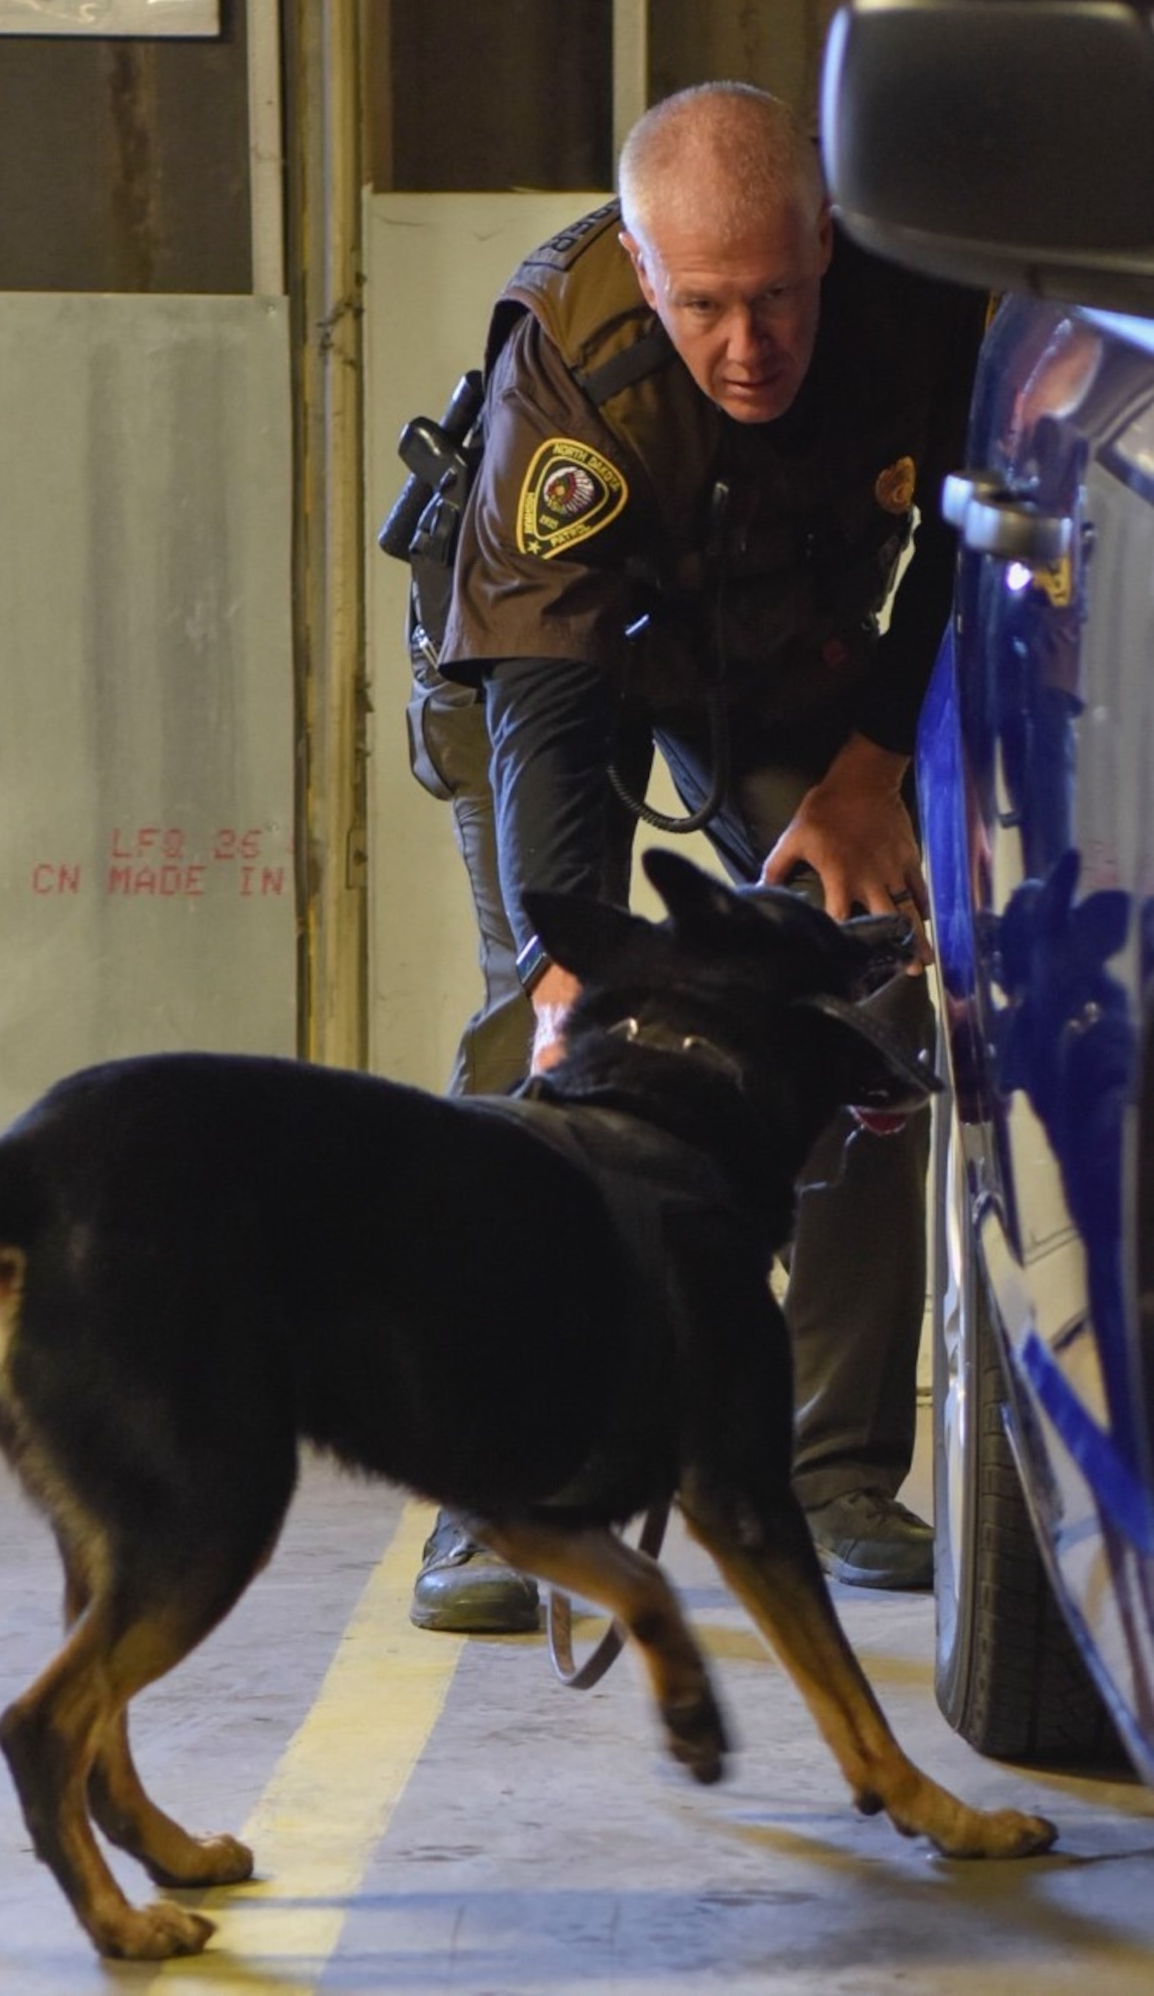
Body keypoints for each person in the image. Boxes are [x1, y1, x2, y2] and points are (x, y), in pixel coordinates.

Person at [405, 81, 986, 1633]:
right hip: (559, 674)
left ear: (825, 249)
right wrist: (567, 966)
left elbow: (964, 543)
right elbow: (550, 698)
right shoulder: (574, 355)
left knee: (867, 992)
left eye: (779, 298)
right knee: (531, 1053)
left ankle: (835, 1464)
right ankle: (488, 1492)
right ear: (651, 279)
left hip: (784, 662)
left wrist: (869, 772)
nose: (749, 347)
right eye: (708, 308)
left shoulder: (923, 293)